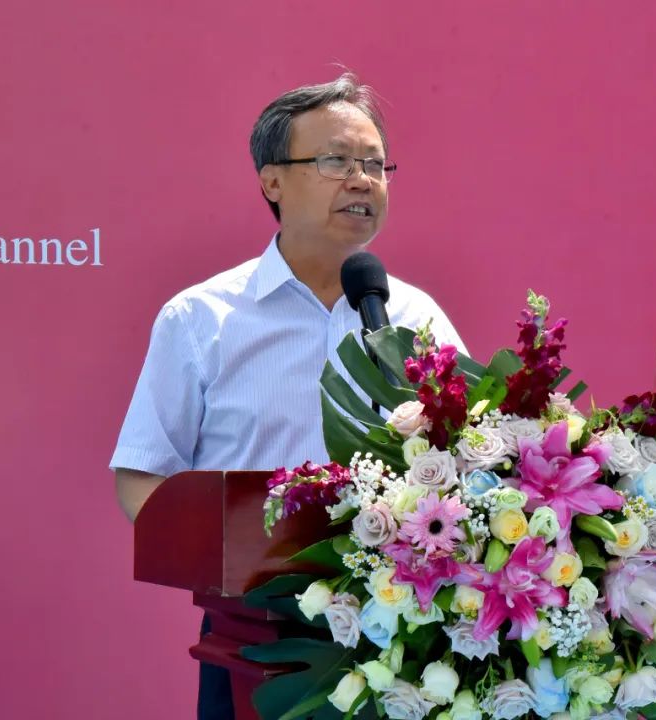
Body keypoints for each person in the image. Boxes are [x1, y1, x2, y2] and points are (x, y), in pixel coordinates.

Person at [109, 73, 465, 720]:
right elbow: (142, 470)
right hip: (256, 633)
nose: (361, 180)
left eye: (375, 165)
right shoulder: (202, 318)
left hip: (406, 635)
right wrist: (215, 567)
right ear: (272, 181)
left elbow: (470, 457)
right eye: (336, 161)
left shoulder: (418, 318)